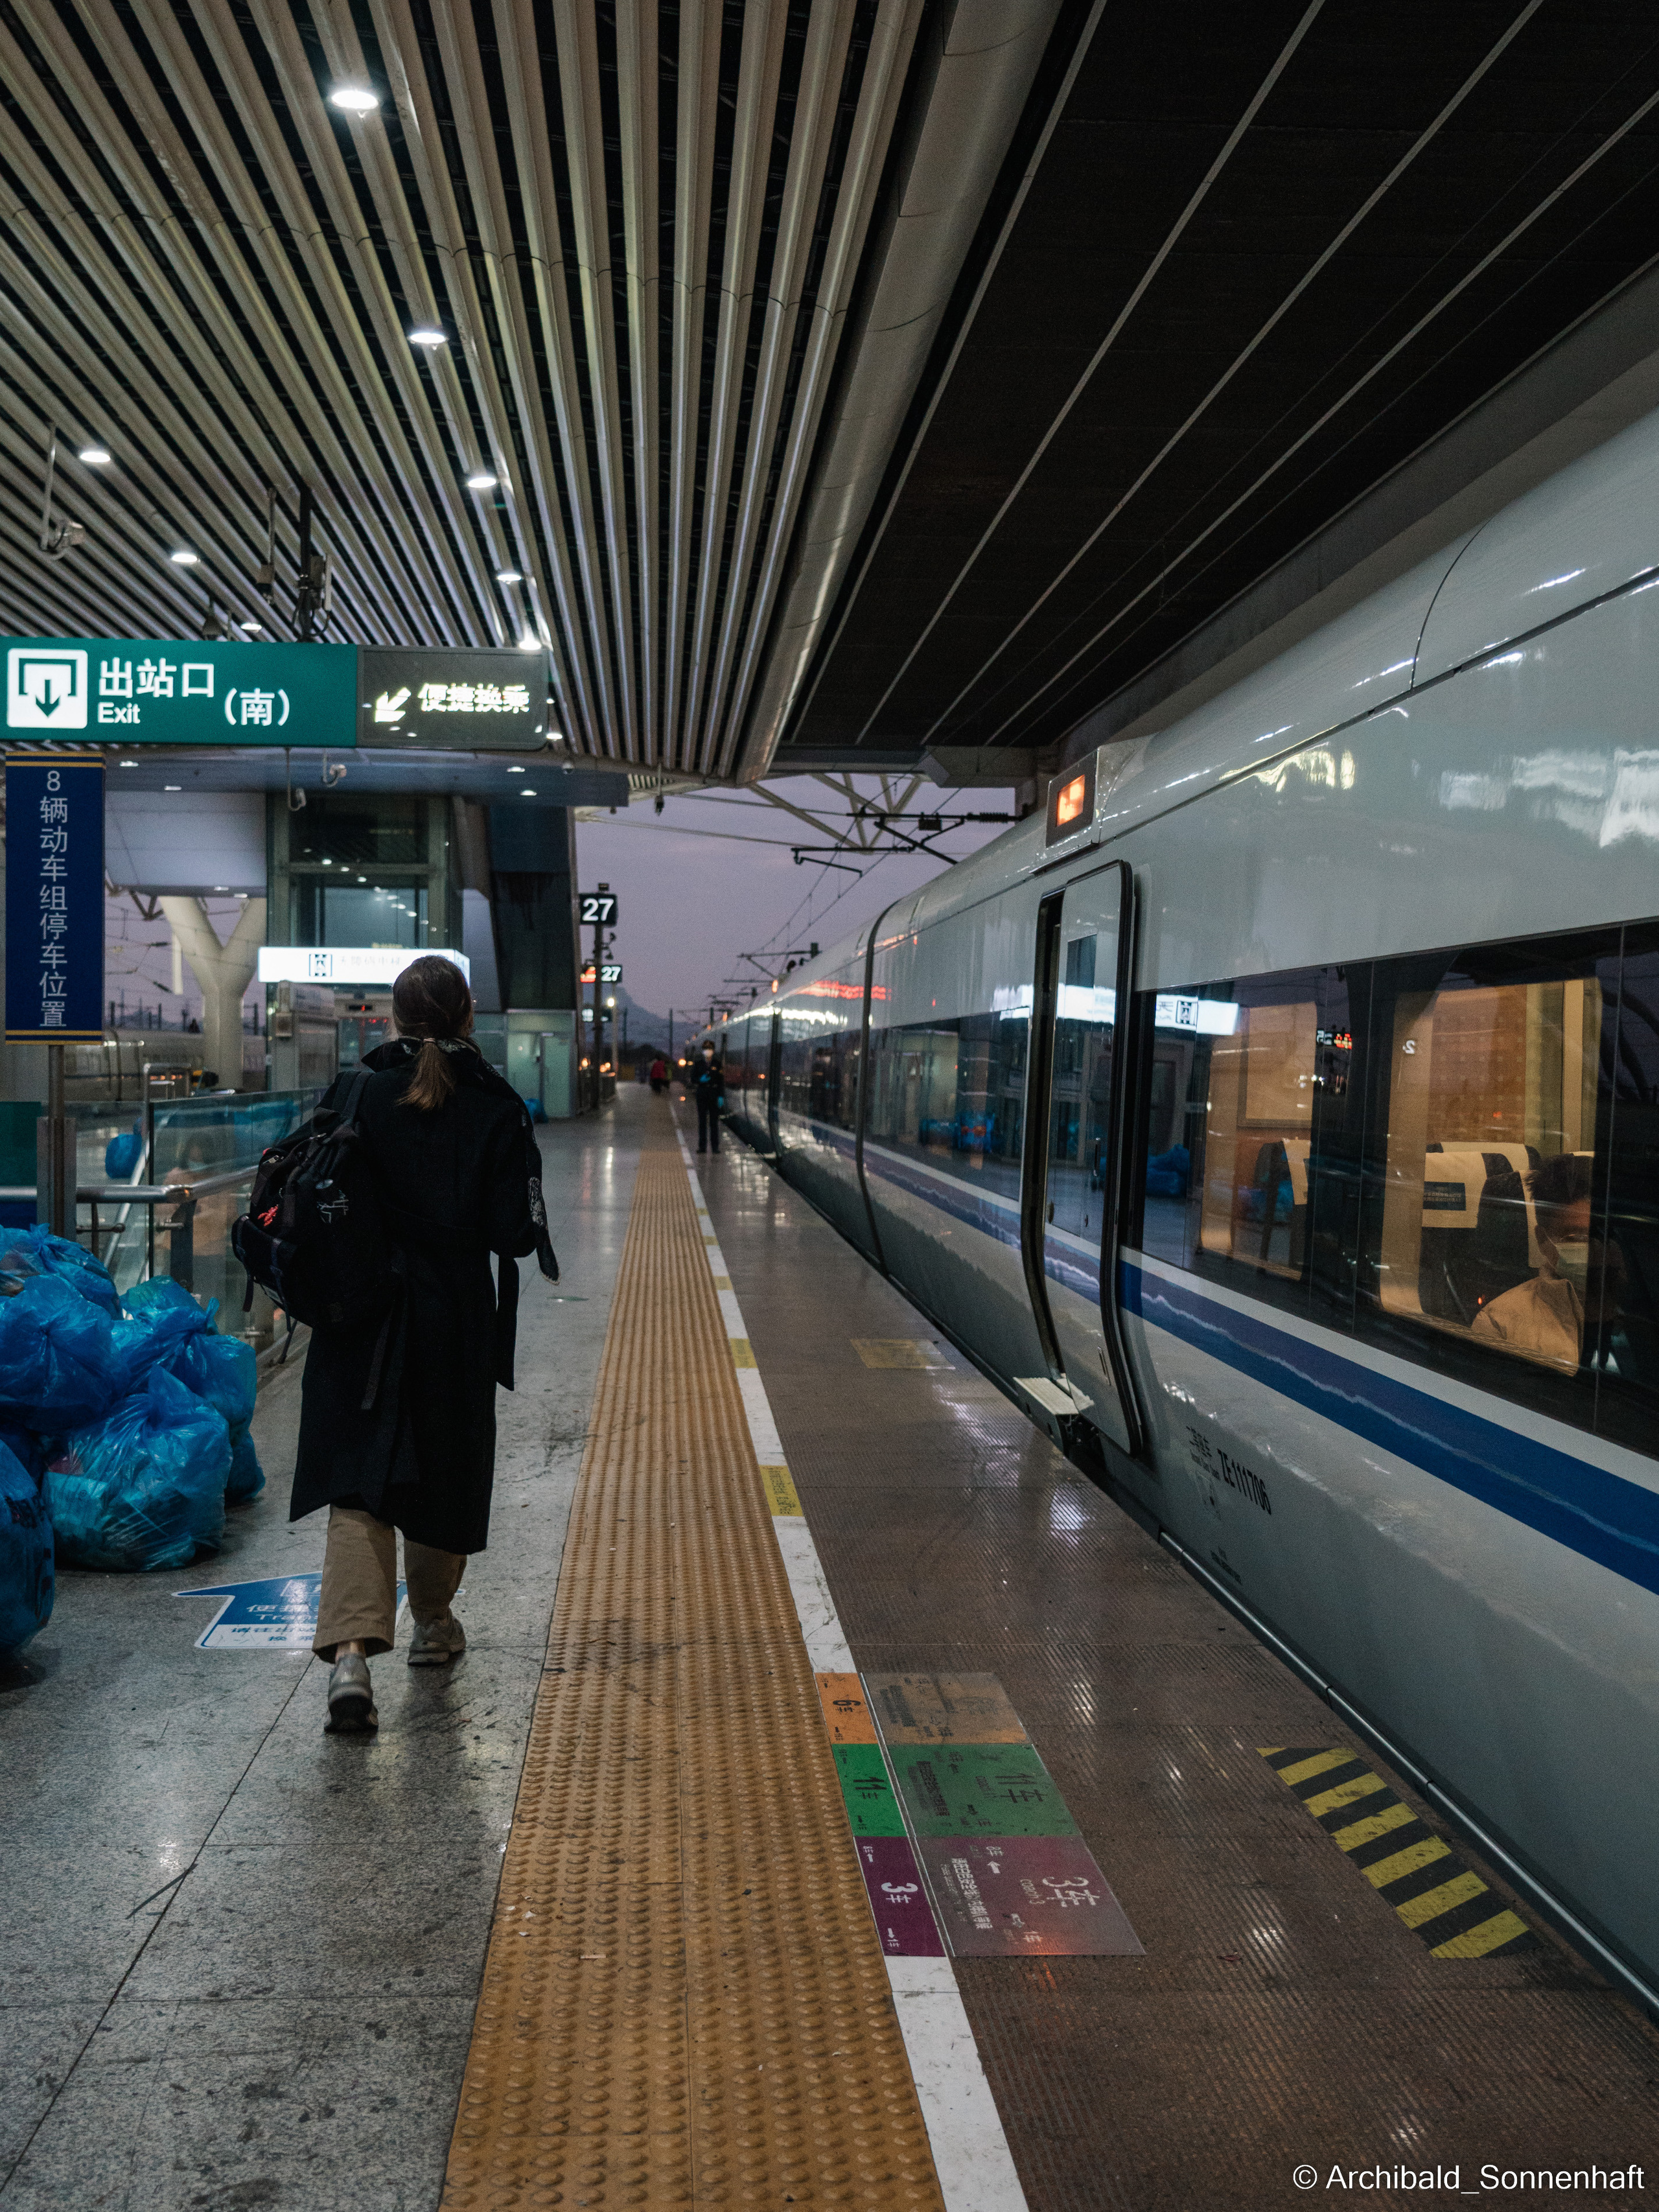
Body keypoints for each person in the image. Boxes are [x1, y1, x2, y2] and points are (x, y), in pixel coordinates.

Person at [290, 955, 558, 1733]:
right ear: (468, 1014)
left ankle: (348, 1656)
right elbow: (515, 1231)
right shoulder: (495, 1106)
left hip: (361, 1317)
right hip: (450, 1320)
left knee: (361, 1483)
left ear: (395, 1018)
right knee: (443, 1473)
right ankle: (433, 1626)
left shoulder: (360, 1089)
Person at [1472, 1152, 1619, 1372]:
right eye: (1577, 1238)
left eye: (1608, 1235)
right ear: (1544, 1241)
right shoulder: (1501, 1325)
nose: (1598, 1250)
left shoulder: (1646, 1307)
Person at [683, 1040, 724, 1153]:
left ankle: (715, 1148)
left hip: (714, 1095)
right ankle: (702, 1147)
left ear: (713, 1050)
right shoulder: (698, 1064)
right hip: (702, 1094)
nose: (708, 1051)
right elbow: (693, 1078)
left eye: (710, 1049)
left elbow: (721, 1081)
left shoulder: (717, 1064)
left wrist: (721, 1096)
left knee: (714, 1123)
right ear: (703, 1050)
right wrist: (700, 1080)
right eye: (706, 1049)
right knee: (702, 1122)